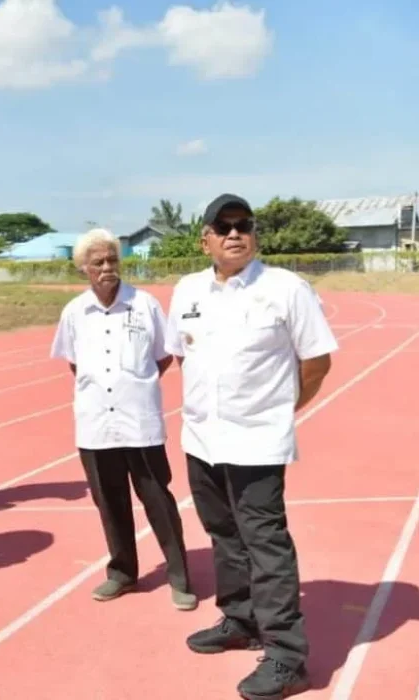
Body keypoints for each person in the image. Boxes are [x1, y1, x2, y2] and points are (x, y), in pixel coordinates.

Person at [165, 194, 337, 700]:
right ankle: (240, 619)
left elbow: (317, 362)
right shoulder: (187, 290)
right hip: (201, 438)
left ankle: (287, 657)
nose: (235, 233)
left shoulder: (285, 289)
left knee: (265, 543)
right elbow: (184, 357)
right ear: (206, 240)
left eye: (243, 224)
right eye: (223, 227)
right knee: (223, 534)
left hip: (257, 443)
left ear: (255, 235)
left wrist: (278, 411)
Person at [48, 229, 195, 611]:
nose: (107, 267)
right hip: (96, 424)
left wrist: (135, 386)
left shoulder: (144, 305)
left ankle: (179, 576)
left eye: (112, 260)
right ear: (83, 268)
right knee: (109, 503)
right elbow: (74, 363)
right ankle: (123, 572)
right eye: (98, 262)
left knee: (157, 499)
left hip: (139, 421)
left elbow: (163, 355)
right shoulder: (74, 312)